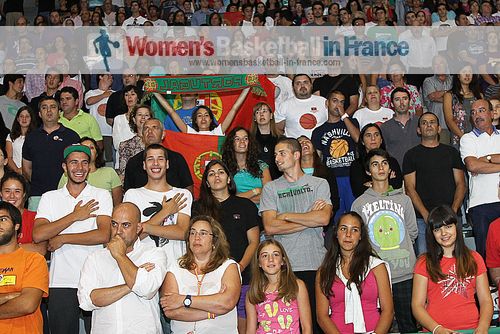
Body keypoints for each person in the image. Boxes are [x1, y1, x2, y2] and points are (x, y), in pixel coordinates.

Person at [32, 144, 112, 334]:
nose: (79, 168)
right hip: (61, 280)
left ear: (90, 166)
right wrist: (75, 216)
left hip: (95, 279)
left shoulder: (101, 195)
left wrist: (64, 238)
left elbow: (103, 234)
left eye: (84, 163)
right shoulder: (50, 197)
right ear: (64, 167)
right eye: (73, 162)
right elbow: (39, 234)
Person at [260, 137, 332, 333]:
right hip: (285, 268)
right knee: (289, 326)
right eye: (275, 154)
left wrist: (287, 216)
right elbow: (270, 227)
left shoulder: (319, 183)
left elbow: (324, 218)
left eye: (282, 153)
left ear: (296, 155)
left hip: (316, 263)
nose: (277, 158)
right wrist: (309, 217)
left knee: (318, 324)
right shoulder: (271, 188)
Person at [351, 148, 418, 333]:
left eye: (384, 163)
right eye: (375, 164)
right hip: (375, 277)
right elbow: (358, 240)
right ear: (368, 171)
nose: (380, 168)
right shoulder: (359, 204)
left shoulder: (404, 199)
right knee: (379, 327)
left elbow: (412, 232)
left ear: (390, 169)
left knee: (409, 326)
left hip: (405, 273)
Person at [78, 202, 168, 334]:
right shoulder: (95, 258)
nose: (118, 231)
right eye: (114, 224)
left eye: (125, 225)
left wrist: (120, 256)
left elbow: (147, 289)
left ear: (138, 228)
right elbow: (87, 301)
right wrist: (130, 284)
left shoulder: (154, 254)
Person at [192, 159, 259, 333]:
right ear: (206, 182)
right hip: (209, 277)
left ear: (229, 179)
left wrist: (240, 267)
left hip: (244, 275)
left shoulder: (246, 206)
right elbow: (194, 242)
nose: (217, 176)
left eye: (221, 172)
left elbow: (254, 242)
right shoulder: (198, 208)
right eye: (211, 174)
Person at [412, 205, 493, 333]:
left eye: (448, 227)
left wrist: (483, 327)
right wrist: (437, 329)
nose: (444, 233)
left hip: (471, 329)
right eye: (437, 229)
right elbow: (417, 306)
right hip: (436, 331)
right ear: (432, 233)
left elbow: (486, 300)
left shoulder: (475, 258)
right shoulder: (423, 262)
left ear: (457, 227)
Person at [160, 215, 241, 334]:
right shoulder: (175, 268)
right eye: (192, 233)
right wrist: (212, 312)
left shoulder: (228, 266)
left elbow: (226, 302)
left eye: (203, 233)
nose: (196, 237)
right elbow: (170, 311)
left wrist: (183, 300)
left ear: (214, 240)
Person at [316, 212, 393, 333]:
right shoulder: (324, 271)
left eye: (354, 230)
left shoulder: (377, 267)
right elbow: (322, 316)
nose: (348, 235)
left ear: (361, 236)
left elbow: (388, 311)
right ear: (336, 233)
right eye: (343, 229)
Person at [403, 112, 466, 256]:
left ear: (439, 128)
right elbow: (410, 188)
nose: (428, 125)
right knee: (427, 260)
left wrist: (454, 211)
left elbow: (461, 184)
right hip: (422, 219)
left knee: (457, 257)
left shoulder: (451, 152)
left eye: (432, 122)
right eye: (424, 123)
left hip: (451, 216)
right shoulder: (411, 155)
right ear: (419, 130)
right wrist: (426, 215)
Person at [123, 143, 192, 264]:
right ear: (144, 165)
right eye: (150, 159)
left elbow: (182, 232)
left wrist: (145, 227)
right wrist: (165, 212)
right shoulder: (132, 195)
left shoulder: (182, 194)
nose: (155, 163)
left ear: (167, 164)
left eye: (160, 159)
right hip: (142, 266)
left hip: (175, 266)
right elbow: (130, 238)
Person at [22, 96, 80, 211]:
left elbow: (77, 166)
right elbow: (26, 169)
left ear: (59, 112)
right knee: (36, 228)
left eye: (53, 107)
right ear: (39, 113)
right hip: (37, 195)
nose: (49, 111)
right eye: (44, 108)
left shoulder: (71, 136)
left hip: (65, 194)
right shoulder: (31, 137)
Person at [459, 99, 500, 259]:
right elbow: (473, 165)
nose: (477, 115)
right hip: (480, 205)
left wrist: (486, 158)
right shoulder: (468, 138)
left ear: (492, 113)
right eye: (473, 112)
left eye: (481, 110)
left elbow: (478, 163)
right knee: (486, 255)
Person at [0, 201, 49, 334]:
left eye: (3, 219)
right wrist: (8, 296)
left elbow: (27, 304)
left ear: (17, 226)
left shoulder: (34, 260)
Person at [311, 90, 360, 222]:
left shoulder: (352, 122)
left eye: (342, 102)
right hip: (331, 178)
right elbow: (316, 159)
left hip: (351, 176)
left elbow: (357, 138)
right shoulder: (318, 131)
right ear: (327, 103)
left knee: (355, 215)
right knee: (335, 218)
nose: (338, 105)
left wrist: (344, 116)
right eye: (335, 101)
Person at [246, 239, 312, 333]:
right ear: (259, 263)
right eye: (265, 256)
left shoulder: (297, 285)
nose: (270, 259)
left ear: (283, 261)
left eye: (275, 254)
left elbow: (307, 327)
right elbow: (250, 331)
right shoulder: (253, 292)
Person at [123, 118, 194, 193]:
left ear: (163, 134)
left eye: (155, 128)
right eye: (146, 128)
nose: (150, 131)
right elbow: (129, 191)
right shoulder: (133, 162)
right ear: (142, 136)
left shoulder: (177, 158)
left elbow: (188, 188)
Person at [154, 88, 250, 135]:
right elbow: (171, 111)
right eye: (199, 116)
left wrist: (248, 87)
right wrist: (154, 91)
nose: (203, 118)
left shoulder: (217, 132)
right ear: (195, 120)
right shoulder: (191, 133)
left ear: (211, 119)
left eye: (206, 115)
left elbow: (234, 109)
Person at [58, 137, 122, 206]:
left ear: (97, 153)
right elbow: (59, 200)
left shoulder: (109, 172)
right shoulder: (69, 175)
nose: (88, 150)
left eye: (91, 148)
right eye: (84, 147)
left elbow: (117, 205)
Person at [350, 123, 403, 198]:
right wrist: (386, 181)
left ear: (381, 140)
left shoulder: (392, 161)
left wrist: (371, 184)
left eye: (376, 135)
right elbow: (359, 191)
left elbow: (397, 186)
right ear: (362, 141)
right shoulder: (356, 165)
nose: (373, 138)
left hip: (392, 202)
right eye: (368, 135)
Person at [222, 127, 271, 205]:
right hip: (236, 212)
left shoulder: (261, 166)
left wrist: (239, 198)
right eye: (237, 139)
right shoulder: (224, 169)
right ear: (231, 143)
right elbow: (225, 199)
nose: (242, 142)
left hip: (262, 212)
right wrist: (256, 191)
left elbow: (269, 195)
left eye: (245, 138)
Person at [1, 172, 46, 255]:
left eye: (17, 191)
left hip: (27, 267)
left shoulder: (36, 218)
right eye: (7, 191)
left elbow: (41, 249)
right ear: (1, 193)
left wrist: (5, 248)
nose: (12, 196)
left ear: (24, 194)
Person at [443, 62, 482, 149]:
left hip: (478, 137)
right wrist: (464, 137)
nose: (467, 74)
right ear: (458, 75)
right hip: (459, 137)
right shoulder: (449, 95)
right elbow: (449, 121)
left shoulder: (479, 95)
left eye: (470, 72)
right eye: (464, 71)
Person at [276, 74, 328, 138]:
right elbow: (278, 129)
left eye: (305, 82)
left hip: (319, 146)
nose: (302, 85)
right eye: (298, 83)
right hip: (295, 146)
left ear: (311, 85)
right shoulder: (284, 105)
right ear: (293, 87)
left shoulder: (323, 102)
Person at [380, 87, 420, 167]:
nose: (402, 102)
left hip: (420, 170)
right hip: (397, 172)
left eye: (404, 98)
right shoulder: (385, 127)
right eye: (397, 99)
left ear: (410, 101)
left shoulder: (420, 123)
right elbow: (383, 153)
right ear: (391, 104)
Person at [84, 73, 114, 163]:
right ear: (100, 76)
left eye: (112, 77)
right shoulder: (91, 93)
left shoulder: (115, 94)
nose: (111, 77)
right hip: (95, 133)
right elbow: (89, 102)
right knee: (95, 158)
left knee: (109, 159)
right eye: (108, 76)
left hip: (110, 132)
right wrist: (104, 95)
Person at [118, 105, 153, 179]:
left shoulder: (157, 143)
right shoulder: (125, 145)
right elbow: (123, 173)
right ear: (134, 119)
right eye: (140, 114)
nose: (143, 117)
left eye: (146, 115)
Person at [250, 102, 281, 179]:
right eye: (257, 112)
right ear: (254, 118)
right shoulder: (249, 140)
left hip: (278, 178)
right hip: (256, 179)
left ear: (271, 115)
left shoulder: (281, 139)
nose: (261, 114)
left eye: (264, 111)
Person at [112, 85, 142, 167]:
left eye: (132, 94)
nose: (129, 97)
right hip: (123, 161)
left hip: (141, 159)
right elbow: (117, 144)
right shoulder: (118, 119)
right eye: (126, 95)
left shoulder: (144, 118)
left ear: (138, 97)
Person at [6, 106, 36, 175]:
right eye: (21, 116)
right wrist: (17, 170)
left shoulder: (36, 136)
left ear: (31, 119)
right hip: (14, 174)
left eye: (27, 116)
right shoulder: (10, 136)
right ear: (17, 119)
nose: (24, 119)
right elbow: (9, 157)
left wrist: (26, 170)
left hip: (32, 174)